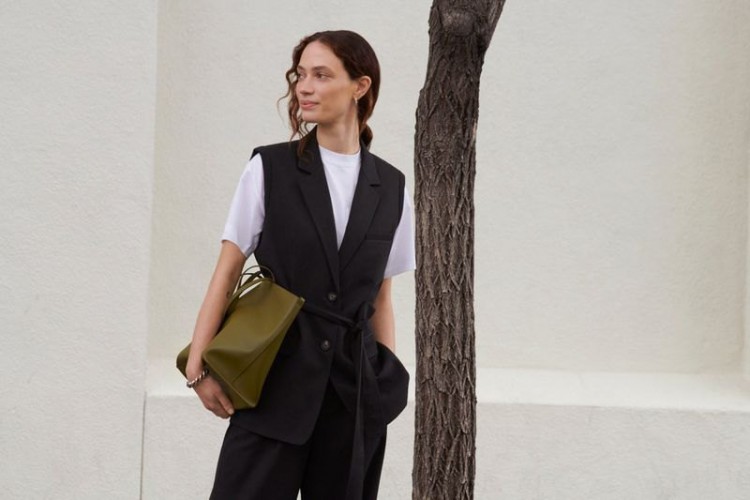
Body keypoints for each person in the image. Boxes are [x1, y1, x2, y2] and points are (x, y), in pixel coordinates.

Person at [184, 30, 416, 500]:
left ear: (360, 86)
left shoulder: (392, 188)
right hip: (274, 382)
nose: (304, 88)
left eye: (321, 75)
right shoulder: (269, 168)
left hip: (353, 398)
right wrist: (198, 366)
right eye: (300, 75)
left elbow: (381, 296)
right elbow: (227, 269)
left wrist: (382, 384)